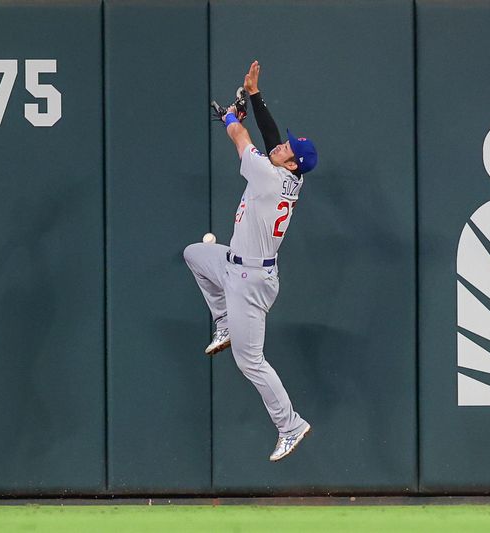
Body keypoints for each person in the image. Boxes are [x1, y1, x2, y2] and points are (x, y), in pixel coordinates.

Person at [183, 60, 318, 461]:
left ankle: (290, 425)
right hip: (235, 263)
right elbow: (272, 139)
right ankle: (222, 320)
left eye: (287, 149)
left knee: (250, 362)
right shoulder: (290, 174)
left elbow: (241, 137)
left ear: (291, 164)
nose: (279, 145)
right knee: (195, 254)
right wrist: (255, 96)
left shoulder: (269, 176)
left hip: (250, 280)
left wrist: (230, 114)